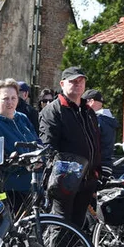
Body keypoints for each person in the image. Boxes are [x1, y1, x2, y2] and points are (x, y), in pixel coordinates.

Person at [40, 66, 102, 230]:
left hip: (87, 178)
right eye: (72, 81)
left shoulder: (88, 111)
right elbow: (48, 146)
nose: (77, 84)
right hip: (65, 179)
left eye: (81, 81)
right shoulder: (53, 110)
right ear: (62, 84)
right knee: (61, 225)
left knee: (77, 225)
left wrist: (97, 170)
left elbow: (95, 142)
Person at [0, 79, 38, 206]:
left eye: (13, 98)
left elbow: (36, 141)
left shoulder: (22, 118)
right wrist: (13, 161)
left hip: (32, 182)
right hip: (10, 188)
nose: (10, 102)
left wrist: (40, 157)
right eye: (5, 99)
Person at [84, 89, 117, 173]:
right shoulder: (108, 120)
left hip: (95, 166)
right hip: (106, 165)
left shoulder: (96, 121)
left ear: (91, 102)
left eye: (83, 102)